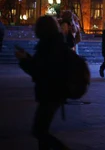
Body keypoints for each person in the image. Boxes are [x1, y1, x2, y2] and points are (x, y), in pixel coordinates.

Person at [15, 16, 70, 149]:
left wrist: (24, 61)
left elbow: (40, 70)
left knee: (39, 131)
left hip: (50, 92)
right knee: (41, 131)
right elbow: (42, 66)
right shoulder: (55, 43)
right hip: (53, 92)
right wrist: (28, 58)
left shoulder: (48, 45)